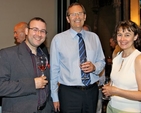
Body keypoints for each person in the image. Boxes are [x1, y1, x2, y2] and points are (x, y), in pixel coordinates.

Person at [50, 2, 105, 113]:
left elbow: (101, 61)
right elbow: (54, 70)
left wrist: (94, 67)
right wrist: (54, 96)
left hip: (91, 91)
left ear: (84, 16)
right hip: (69, 93)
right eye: (73, 14)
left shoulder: (94, 37)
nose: (77, 17)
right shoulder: (58, 39)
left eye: (80, 13)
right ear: (68, 18)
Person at [0, 17, 54, 113]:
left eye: (42, 31)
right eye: (35, 30)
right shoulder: (7, 54)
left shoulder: (44, 56)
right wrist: (32, 84)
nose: (39, 34)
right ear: (26, 31)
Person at [102, 20, 141, 113]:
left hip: (129, 109)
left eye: (127, 35)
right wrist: (110, 86)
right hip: (111, 107)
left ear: (135, 37)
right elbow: (115, 82)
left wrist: (116, 91)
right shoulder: (116, 56)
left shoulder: (138, 59)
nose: (122, 39)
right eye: (119, 35)